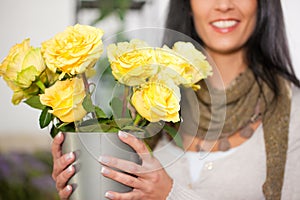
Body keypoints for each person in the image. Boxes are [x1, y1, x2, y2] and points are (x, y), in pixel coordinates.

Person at [51, 0, 300, 199]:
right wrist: (85, 185)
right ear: (188, 5)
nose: (224, 4)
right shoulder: (145, 101)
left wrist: (170, 195)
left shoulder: (295, 112)